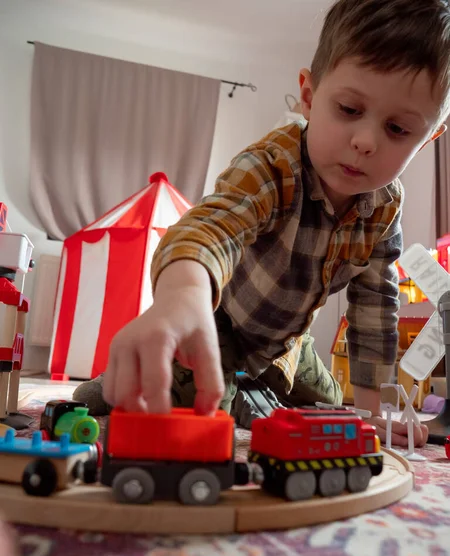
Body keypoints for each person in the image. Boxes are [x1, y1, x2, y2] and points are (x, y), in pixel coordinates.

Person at [74, 0, 450, 448]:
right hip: (219, 322)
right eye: (349, 109)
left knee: (332, 408)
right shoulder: (272, 165)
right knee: (195, 410)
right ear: (309, 98)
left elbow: (375, 304)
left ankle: (259, 391)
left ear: (429, 137)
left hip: (290, 343)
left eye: (397, 129)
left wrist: (374, 416)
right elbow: (210, 228)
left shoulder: (386, 206)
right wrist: (183, 296)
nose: (365, 141)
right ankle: (107, 387)